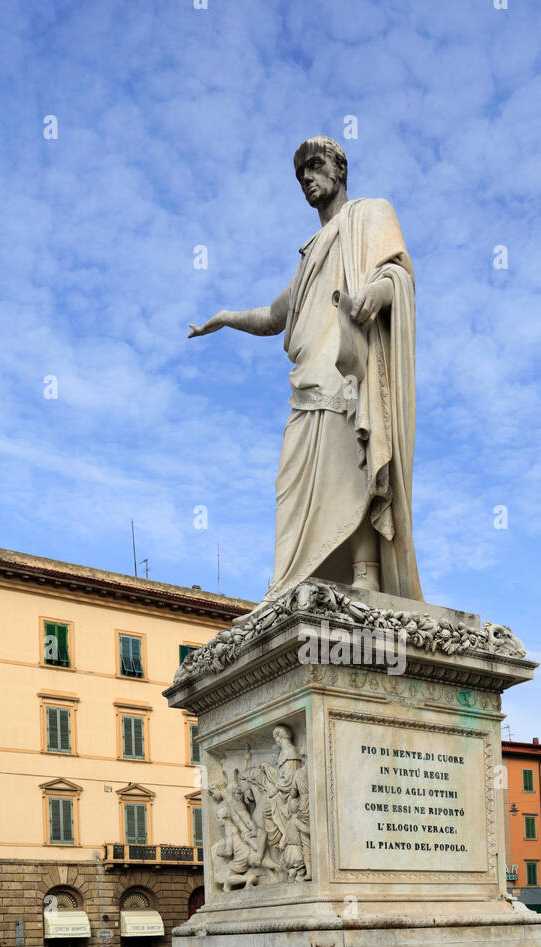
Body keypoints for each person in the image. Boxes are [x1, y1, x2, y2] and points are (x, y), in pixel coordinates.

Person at [188, 136, 422, 602]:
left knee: (351, 460)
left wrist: (372, 296)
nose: (307, 180)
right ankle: (295, 581)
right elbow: (275, 317)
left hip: (348, 364)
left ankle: (365, 573)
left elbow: (397, 276)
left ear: (340, 169)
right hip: (308, 379)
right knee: (289, 481)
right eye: (300, 176)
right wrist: (226, 318)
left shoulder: (371, 215)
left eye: (314, 167)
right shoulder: (310, 253)